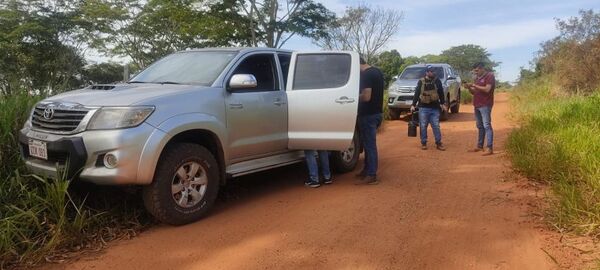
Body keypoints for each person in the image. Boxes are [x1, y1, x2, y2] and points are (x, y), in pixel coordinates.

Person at [355, 57, 384, 185]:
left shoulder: (366, 75)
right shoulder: (376, 71)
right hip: (377, 113)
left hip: (368, 115)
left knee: (370, 146)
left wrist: (353, 97)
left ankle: (372, 175)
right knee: (367, 145)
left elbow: (366, 97)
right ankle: (367, 170)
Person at [410, 65, 447, 151]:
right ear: (427, 72)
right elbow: (417, 92)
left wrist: (442, 103)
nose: (433, 72)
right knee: (423, 126)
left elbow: (441, 92)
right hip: (423, 107)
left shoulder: (437, 81)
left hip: (435, 108)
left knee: (436, 126)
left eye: (434, 71)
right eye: (431, 71)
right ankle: (423, 143)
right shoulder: (421, 81)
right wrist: (413, 104)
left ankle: (438, 143)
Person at [465, 62, 495, 156]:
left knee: (487, 125)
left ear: (482, 68)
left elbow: (487, 89)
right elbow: (474, 92)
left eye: (477, 70)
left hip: (485, 104)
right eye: (475, 71)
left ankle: (489, 148)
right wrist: (469, 88)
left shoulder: (489, 76)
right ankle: (480, 146)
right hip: (477, 104)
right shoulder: (477, 78)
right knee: (480, 126)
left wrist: (474, 85)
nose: (476, 72)